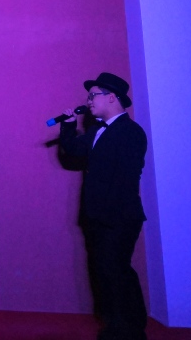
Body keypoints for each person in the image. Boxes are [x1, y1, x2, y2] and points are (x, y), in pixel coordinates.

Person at [58, 72, 148, 340]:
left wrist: (106, 214)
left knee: (116, 272)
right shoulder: (96, 131)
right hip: (96, 218)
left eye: (93, 96)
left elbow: (126, 178)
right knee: (104, 274)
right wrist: (68, 126)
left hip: (118, 218)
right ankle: (115, 328)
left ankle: (130, 331)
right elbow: (74, 151)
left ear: (112, 98)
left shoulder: (131, 132)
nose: (88, 101)